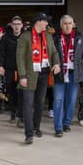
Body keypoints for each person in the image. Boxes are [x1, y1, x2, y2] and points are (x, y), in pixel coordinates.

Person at [16, 13, 61, 144]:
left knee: (40, 103)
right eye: (45, 21)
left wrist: (57, 63)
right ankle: (28, 133)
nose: (47, 24)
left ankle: (36, 128)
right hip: (30, 75)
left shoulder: (48, 36)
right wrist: (22, 76)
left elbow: (54, 52)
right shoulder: (25, 37)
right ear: (38, 22)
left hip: (44, 74)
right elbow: (20, 58)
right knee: (28, 104)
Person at [52, 15, 83, 137]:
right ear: (61, 25)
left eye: (70, 23)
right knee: (58, 100)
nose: (67, 26)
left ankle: (66, 123)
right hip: (60, 74)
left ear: (73, 24)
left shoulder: (80, 37)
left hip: (74, 74)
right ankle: (58, 127)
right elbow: (50, 53)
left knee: (71, 101)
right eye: (65, 23)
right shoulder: (55, 37)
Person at [0, 16, 23, 123]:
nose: (17, 26)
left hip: (22, 71)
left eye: (18, 24)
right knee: (11, 93)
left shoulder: (26, 37)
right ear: (11, 25)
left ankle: (20, 115)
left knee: (21, 93)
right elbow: (1, 53)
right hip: (9, 70)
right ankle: (13, 113)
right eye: (15, 24)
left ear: (21, 25)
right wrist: (0, 65)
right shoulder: (5, 38)